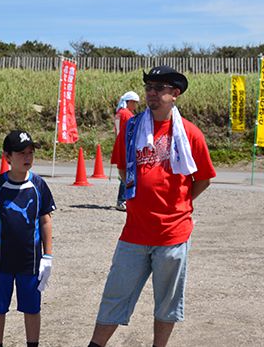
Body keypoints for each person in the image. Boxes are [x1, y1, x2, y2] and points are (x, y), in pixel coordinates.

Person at [88, 66, 216, 347]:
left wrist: (180, 203)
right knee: (115, 294)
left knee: (167, 303)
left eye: (159, 89)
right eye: (149, 88)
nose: (152, 94)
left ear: (175, 94)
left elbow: (203, 178)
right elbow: (123, 170)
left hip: (173, 233)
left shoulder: (190, 134)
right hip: (134, 231)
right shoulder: (132, 128)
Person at [0, 130, 55, 347]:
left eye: (30, 152)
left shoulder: (39, 185)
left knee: (32, 307)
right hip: (1, 260)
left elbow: (46, 221)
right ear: (8, 157)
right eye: (21, 153)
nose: (27, 157)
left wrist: (48, 256)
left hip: (30, 261)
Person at [111, 90, 140, 211]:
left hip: (122, 146)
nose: (135, 105)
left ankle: (123, 199)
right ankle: (122, 200)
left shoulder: (120, 113)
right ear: (129, 102)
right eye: (134, 102)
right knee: (128, 173)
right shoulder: (126, 114)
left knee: (126, 173)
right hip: (127, 147)